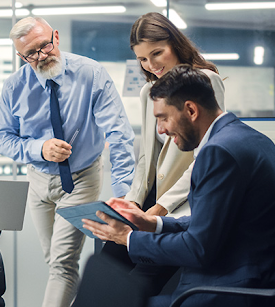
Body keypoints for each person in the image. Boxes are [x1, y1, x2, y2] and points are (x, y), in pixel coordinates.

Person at [83, 65, 275, 307]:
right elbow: (210, 220)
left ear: (191, 110)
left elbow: (198, 248)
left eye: (163, 118)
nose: (161, 130)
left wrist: (129, 238)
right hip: (251, 280)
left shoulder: (219, 152)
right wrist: (151, 223)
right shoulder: (247, 138)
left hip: (234, 291)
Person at [0, 16, 135, 307]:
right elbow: (0, 138)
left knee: (61, 264)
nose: (42, 56)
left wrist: (124, 196)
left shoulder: (91, 74)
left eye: (45, 46)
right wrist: (38, 148)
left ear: (56, 37)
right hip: (38, 181)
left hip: (81, 177)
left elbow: (119, 135)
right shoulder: (15, 86)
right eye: (31, 54)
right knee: (57, 263)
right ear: (21, 56)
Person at [101, 11, 226, 295]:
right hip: (149, 201)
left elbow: (204, 159)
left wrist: (161, 207)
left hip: (179, 207)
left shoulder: (204, 80)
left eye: (157, 53)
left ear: (175, 44)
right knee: (105, 266)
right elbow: (147, 157)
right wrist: (131, 204)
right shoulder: (149, 91)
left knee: (135, 286)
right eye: (143, 59)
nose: (151, 65)